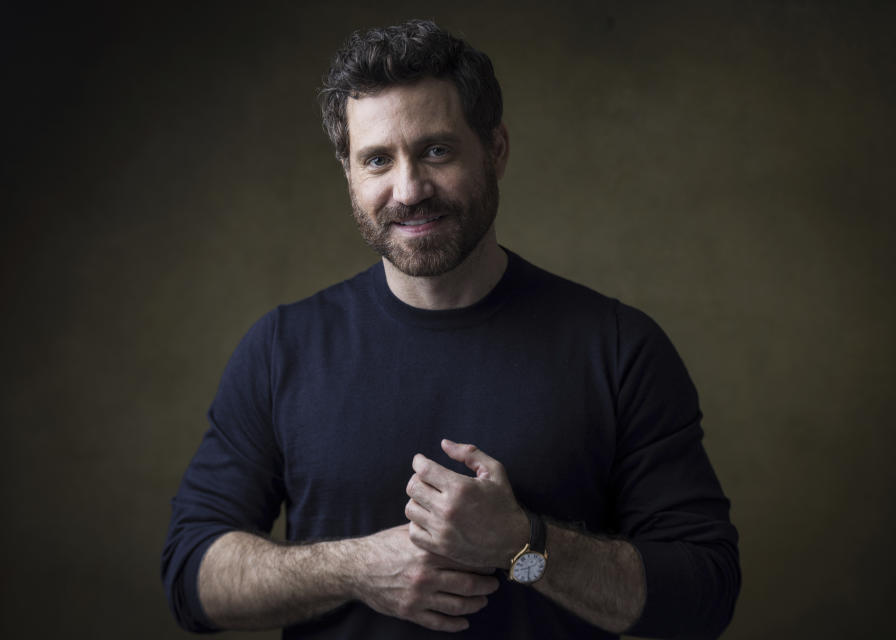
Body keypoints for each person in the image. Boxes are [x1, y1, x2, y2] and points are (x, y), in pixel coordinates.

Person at [162, 18, 740, 639]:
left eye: (436, 150)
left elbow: (703, 596)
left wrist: (523, 544)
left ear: (496, 150)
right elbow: (191, 575)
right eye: (378, 159)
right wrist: (355, 569)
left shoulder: (620, 348)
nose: (408, 190)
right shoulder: (282, 350)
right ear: (349, 173)